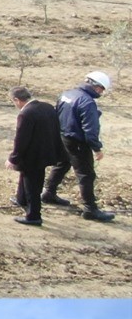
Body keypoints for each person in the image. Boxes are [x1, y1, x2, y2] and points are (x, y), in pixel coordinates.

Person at [45, 71, 115, 222]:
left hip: (63, 136)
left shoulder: (67, 94)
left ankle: (48, 193)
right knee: (86, 175)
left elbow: (57, 113)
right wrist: (97, 148)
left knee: (62, 164)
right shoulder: (87, 102)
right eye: (102, 89)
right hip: (78, 142)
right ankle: (90, 209)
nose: (101, 93)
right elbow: (90, 130)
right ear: (96, 87)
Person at [7, 85, 64, 226]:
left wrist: (13, 158)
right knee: (26, 177)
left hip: (33, 155)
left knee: (33, 184)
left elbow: (21, 139)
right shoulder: (47, 107)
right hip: (47, 151)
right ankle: (21, 199)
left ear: (17, 100)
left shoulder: (26, 114)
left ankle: (34, 216)